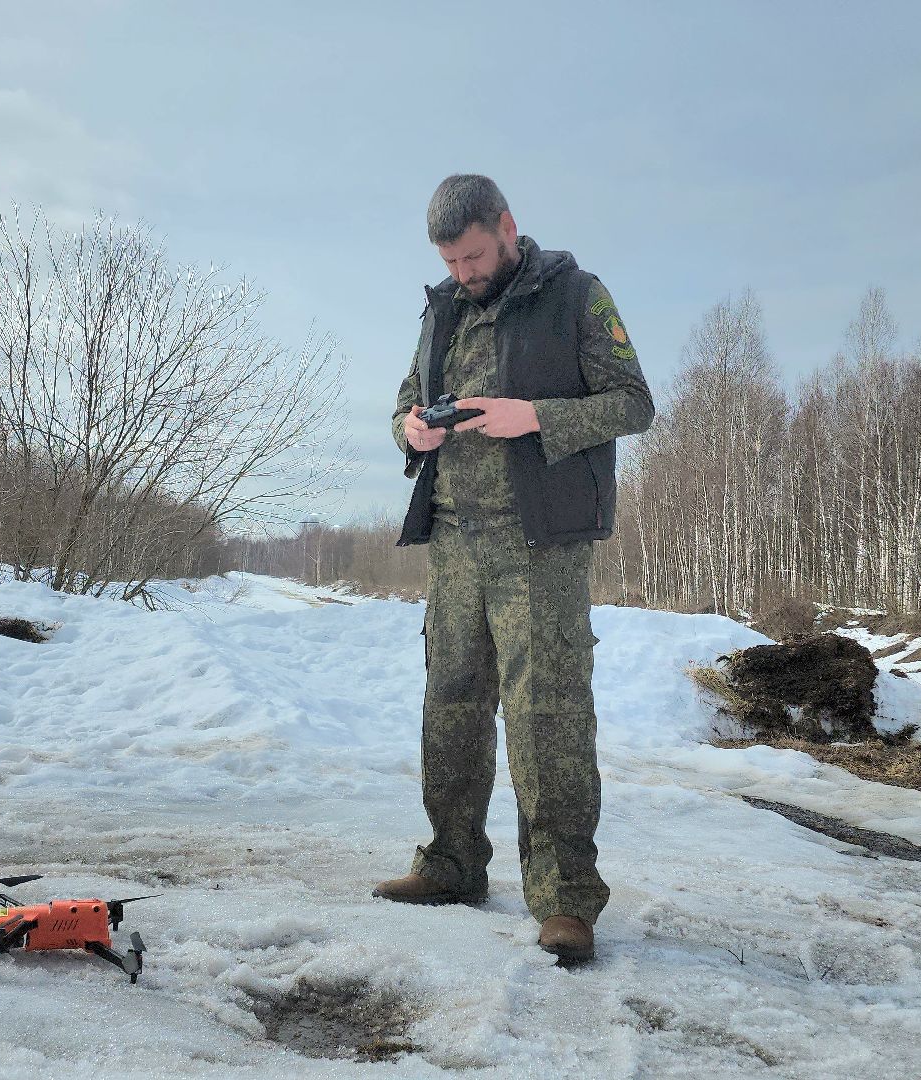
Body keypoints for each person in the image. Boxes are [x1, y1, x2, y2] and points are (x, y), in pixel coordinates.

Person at [373, 174, 654, 964]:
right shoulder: (442, 310)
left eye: (472, 256)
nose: (463, 273)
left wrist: (534, 417)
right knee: (452, 703)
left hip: (541, 543)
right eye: (450, 261)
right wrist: (409, 429)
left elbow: (633, 402)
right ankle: (452, 863)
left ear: (506, 227)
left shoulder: (576, 296)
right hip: (455, 540)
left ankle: (566, 900)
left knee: (548, 714)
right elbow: (404, 397)